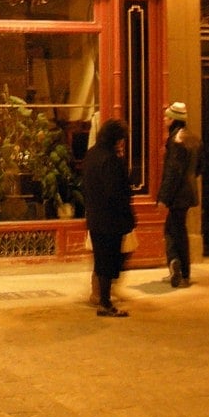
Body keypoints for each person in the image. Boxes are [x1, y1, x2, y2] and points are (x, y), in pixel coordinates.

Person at [82, 118, 135, 317]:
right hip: (111, 219)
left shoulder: (91, 155)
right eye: (121, 139)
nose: (122, 143)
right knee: (111, 260)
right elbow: (117, 191)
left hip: (95, 216)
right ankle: (105, 302)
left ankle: (104, 300)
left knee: (101, 260)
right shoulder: (111, 160)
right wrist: (126, 216)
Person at [157, 102, 204, 288]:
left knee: (176, 231)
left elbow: (173, 173)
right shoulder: (195, 139)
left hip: (177, 194)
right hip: (189, 192)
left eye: (167, 117)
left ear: (175, 120)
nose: (164, 120)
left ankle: (180, 268)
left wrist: (164, 197)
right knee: (175, 229)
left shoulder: (175, 141)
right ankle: (176, 265)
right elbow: (200, 167)